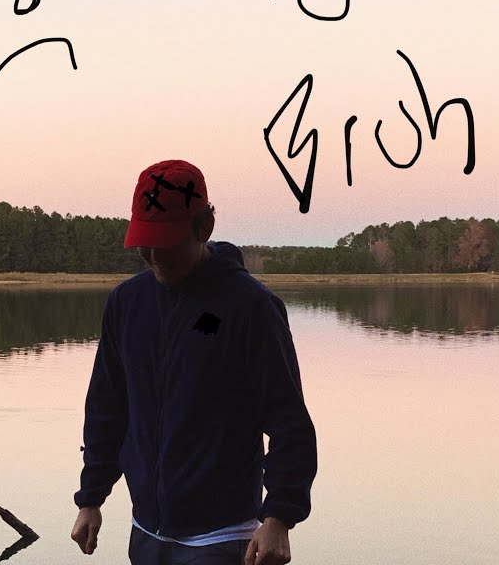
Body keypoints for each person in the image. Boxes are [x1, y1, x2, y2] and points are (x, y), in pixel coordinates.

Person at [70, 159, 318, 565]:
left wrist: (279, 516)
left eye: (166, 243)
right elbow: (107, 408)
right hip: (145, 533)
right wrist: (91, 497)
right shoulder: (126, 303)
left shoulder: (251, 307)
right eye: (144, 242)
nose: (154, 255)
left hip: (221, 538)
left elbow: (288, 420)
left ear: (204, 227)